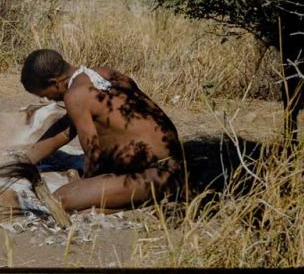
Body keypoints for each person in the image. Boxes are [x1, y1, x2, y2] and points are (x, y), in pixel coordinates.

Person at [20, 49, 185, 212]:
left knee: (61, 199)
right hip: (178, 163)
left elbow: (95, 157)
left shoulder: (75, 96)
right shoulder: (104, 73)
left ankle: (134, 201)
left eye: (47, 96)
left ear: (54, 83)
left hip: (156, 175)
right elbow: (64, 130)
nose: (47, 99)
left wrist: (85, 185)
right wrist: (24, 160)